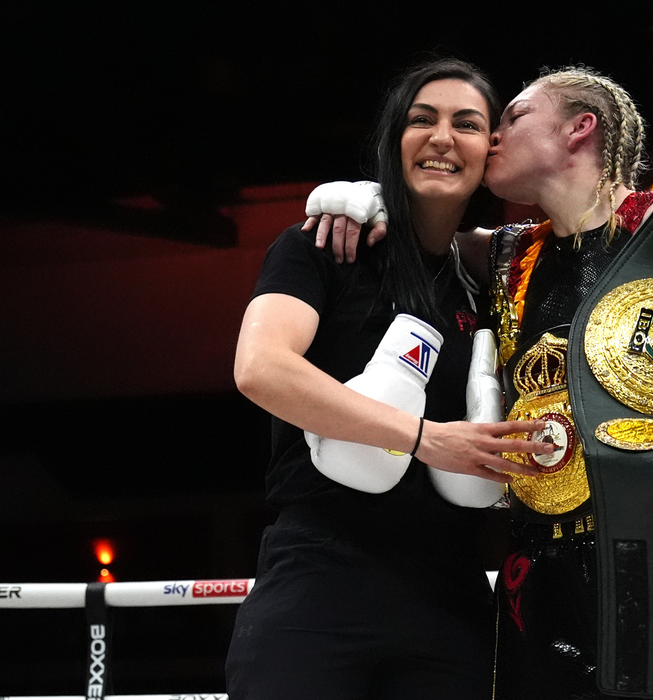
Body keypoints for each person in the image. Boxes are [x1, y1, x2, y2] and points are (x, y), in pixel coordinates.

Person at [311, 66, 653, 699]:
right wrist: (379, 199)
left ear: (579, 128)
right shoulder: (506, 255)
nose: (490, 140)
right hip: (541, 568)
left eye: (511, 119)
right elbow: (424, 236)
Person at [225, 58, 552, 700]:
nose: (440, 137)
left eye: (466, 123)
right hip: (321, 576)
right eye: (420, 119)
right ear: (392, 140)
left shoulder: (496, 277)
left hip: (450, 592)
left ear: (491, 150)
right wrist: (424, 438)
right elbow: (260, 369)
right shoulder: (325, 245)